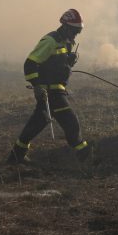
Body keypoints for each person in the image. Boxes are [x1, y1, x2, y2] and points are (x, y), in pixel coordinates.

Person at [7, 9, 90, 164]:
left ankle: (16, 155)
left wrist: (68, 61)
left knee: (38, 122)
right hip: (50, 91)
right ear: (65, 27)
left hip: (57, 89)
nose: (75, 35)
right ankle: (85, 155)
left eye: (77, 32)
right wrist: (37, 86)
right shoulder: (50, 41)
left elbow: (56, 64)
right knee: (70, 121)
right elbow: (30, 64)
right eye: (73, 31)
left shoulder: (65, 42)